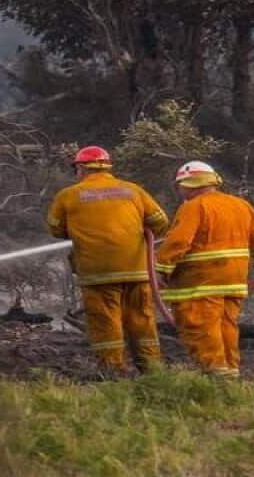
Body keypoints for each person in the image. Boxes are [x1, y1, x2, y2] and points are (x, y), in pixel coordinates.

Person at [47, 146, 169, 372]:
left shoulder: (68, 196)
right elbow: (160, 221)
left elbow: (55, 229)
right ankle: (153, 369)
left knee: (106, 322)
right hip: (136, 270)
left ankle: (113, 372)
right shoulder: (133, 190)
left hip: (97, 273)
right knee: (142, 320)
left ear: (81, 168)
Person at [155, 161, 254, 378]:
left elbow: (179, 241)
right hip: (233, 280)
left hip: (201, 281)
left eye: (180, 186)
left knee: (202, 326)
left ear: (189, 184)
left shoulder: (194, 206)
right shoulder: (241, 205)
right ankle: (230, 370)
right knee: (227, 326)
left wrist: (161, 268)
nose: (179, 191)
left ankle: (215, 374)